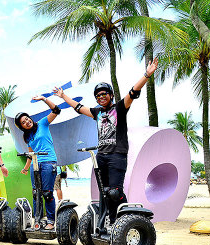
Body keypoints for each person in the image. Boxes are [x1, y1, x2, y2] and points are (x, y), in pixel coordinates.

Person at [53, 58, 159, 224]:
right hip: (101, 156)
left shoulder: (119, 108)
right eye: (98, 95)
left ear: (110, 95)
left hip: (117, 155)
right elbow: (79, 108)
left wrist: (146, 75)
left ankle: (128, 217)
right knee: (104, 192)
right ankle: (111, 220)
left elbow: (133, 92)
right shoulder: (96, 112)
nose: (101, 97)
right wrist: (63, 95)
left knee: (115, 192)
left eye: (104, 94)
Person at [14, 95, 62, 230]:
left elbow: (56, 110)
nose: (27, 122)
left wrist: (44, 99)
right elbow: (31, 154)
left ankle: (51, 221)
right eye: (23, 122)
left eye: (27, 119)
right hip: (35, 164)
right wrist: (25, 168)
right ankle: (38, 220)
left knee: (47, 193)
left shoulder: (42, 123)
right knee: (36, 193)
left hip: (48, 162)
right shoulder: (27, 136)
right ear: (21, 126)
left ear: (30, 118)